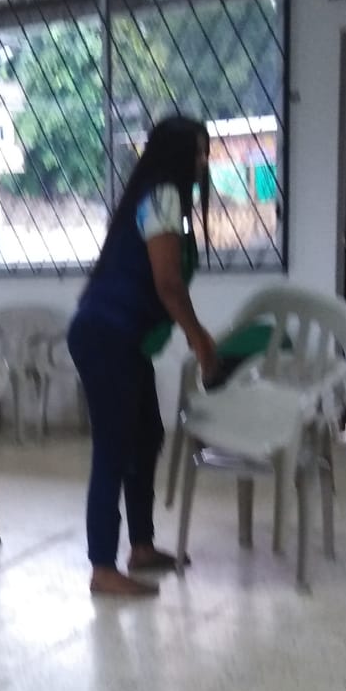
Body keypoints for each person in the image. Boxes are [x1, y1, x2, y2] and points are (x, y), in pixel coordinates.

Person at [67, 115, 217, 598]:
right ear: (177, 156)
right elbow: (168, 282)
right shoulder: (164, 195)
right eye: (197, 152)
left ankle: (142, 546)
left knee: (146, 435)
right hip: (106, 337)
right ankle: (102, 566)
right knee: (114, 448)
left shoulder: (154, 197)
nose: (203, 162)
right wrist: (200, 339)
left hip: (118, 338)